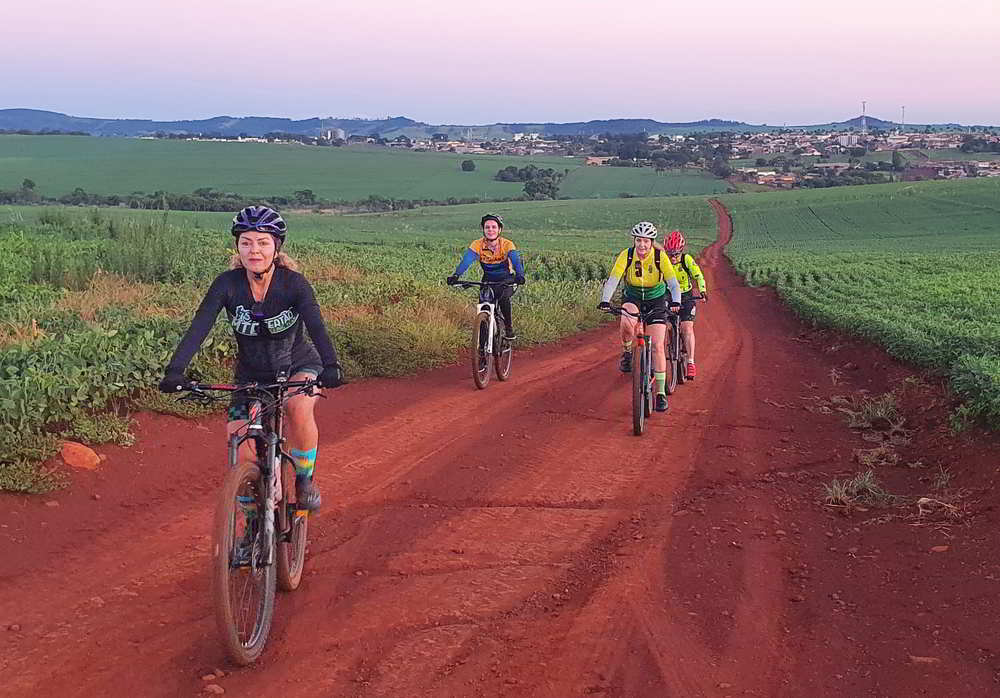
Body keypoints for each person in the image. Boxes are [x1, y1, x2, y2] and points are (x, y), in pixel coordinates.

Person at [158, 206, 343, 511]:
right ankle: (249, 527)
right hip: (250, 375)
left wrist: (332, 365)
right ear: (238, 247)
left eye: (262, 242)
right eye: (246, 242)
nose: (254, 250)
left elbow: (316, 326)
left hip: (298, 365)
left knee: (297, 407)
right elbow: (200, 326)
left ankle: (304, 478)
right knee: (240, 448)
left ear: (276, 248)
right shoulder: (227, 284)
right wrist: (175, 370)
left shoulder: (294, 284)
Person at [598, 222, 681, 412]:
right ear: (634, 241)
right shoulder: (626, 255)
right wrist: (605, 300)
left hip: (656, 300)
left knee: (658, 345)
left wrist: (676, 301)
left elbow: (673, 283)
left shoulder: (660, 257)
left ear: (651, 242)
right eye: (638, 241)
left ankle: (660, 393)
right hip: (633, 296)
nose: (642, 245)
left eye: (645, 241)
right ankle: (627, 353)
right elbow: (613, 279)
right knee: (627, 324)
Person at [446, 214, 525, 339]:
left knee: (503, 298)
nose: (490, 230)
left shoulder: (507, 244)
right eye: (487, 227)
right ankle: (482, 346)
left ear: (499, 229)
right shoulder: (477, 244)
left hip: (506, 279)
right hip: (488, 280)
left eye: (494, 227)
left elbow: (516, 261)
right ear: (483, 229)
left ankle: (508, 328)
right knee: (483, 306)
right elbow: (466, 261)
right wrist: (456, 275)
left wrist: (520, 275)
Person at [664, 230, 707, 380]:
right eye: (670, 254)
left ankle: (690, 362)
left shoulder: (686, 260)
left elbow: (698, 276)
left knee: (687, 328)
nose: (673, 258)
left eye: (676, 254)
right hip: (668, 295)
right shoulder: (663, 261)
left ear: (681, 251)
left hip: (686, 296)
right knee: (665, 325)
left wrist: (702, 291)